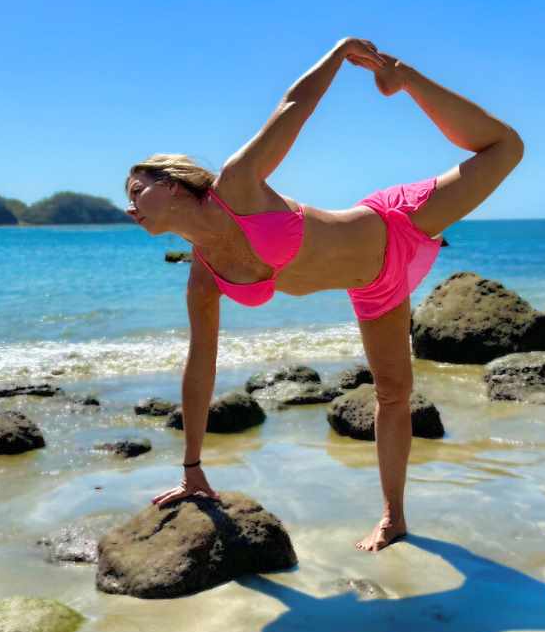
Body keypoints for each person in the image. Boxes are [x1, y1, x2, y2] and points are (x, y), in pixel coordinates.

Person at [125, 37, 524, 552]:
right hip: (373, 287)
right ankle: (394, 517)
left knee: (507, 147)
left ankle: (406, 80)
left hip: (395, 223)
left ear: (174, 184)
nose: (130, 207)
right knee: (392, 395)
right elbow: (201, 364)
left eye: (137, 192)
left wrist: (337, 56)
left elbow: (293, 106)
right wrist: (192, 468)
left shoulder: (238, 186)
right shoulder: (203, 274)